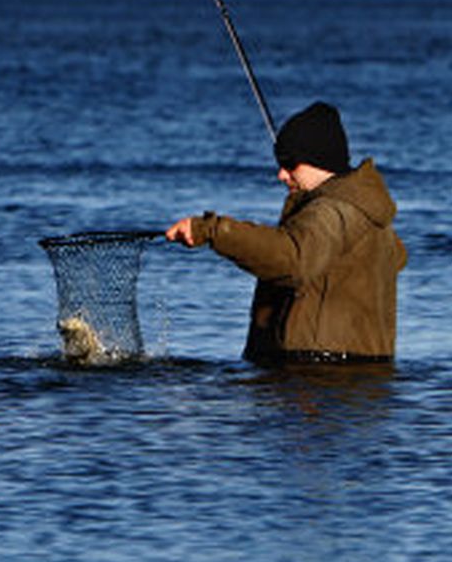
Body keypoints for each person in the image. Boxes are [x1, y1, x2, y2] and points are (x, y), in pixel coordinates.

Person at [166, 101, 407, 364]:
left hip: (321, 378)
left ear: (320, 160)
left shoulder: (333, 210)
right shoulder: (363, 212)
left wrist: (212, 230)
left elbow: (292, 258)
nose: (281, 174)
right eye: (280, 162)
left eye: (291, 163)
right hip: (345, 382)